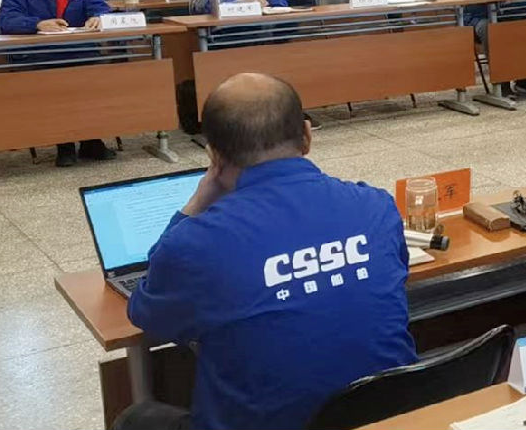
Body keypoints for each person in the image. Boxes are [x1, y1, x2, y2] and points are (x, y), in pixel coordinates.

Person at [119, 74, 415, 430]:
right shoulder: (376, 206)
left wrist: (196, 203)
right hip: (393, 417)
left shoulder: (194, 244)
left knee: (136, 419)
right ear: (307, 135)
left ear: (213, 154)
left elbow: (147, 315)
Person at [0, 0, 117, 166]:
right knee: (57, 91)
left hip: (82, 53)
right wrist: (36, 24)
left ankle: (92, 140)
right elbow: (7, 21)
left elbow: (101, 8)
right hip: (42, 56)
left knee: (92, 87)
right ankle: (64, 145)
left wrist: (98, 17)